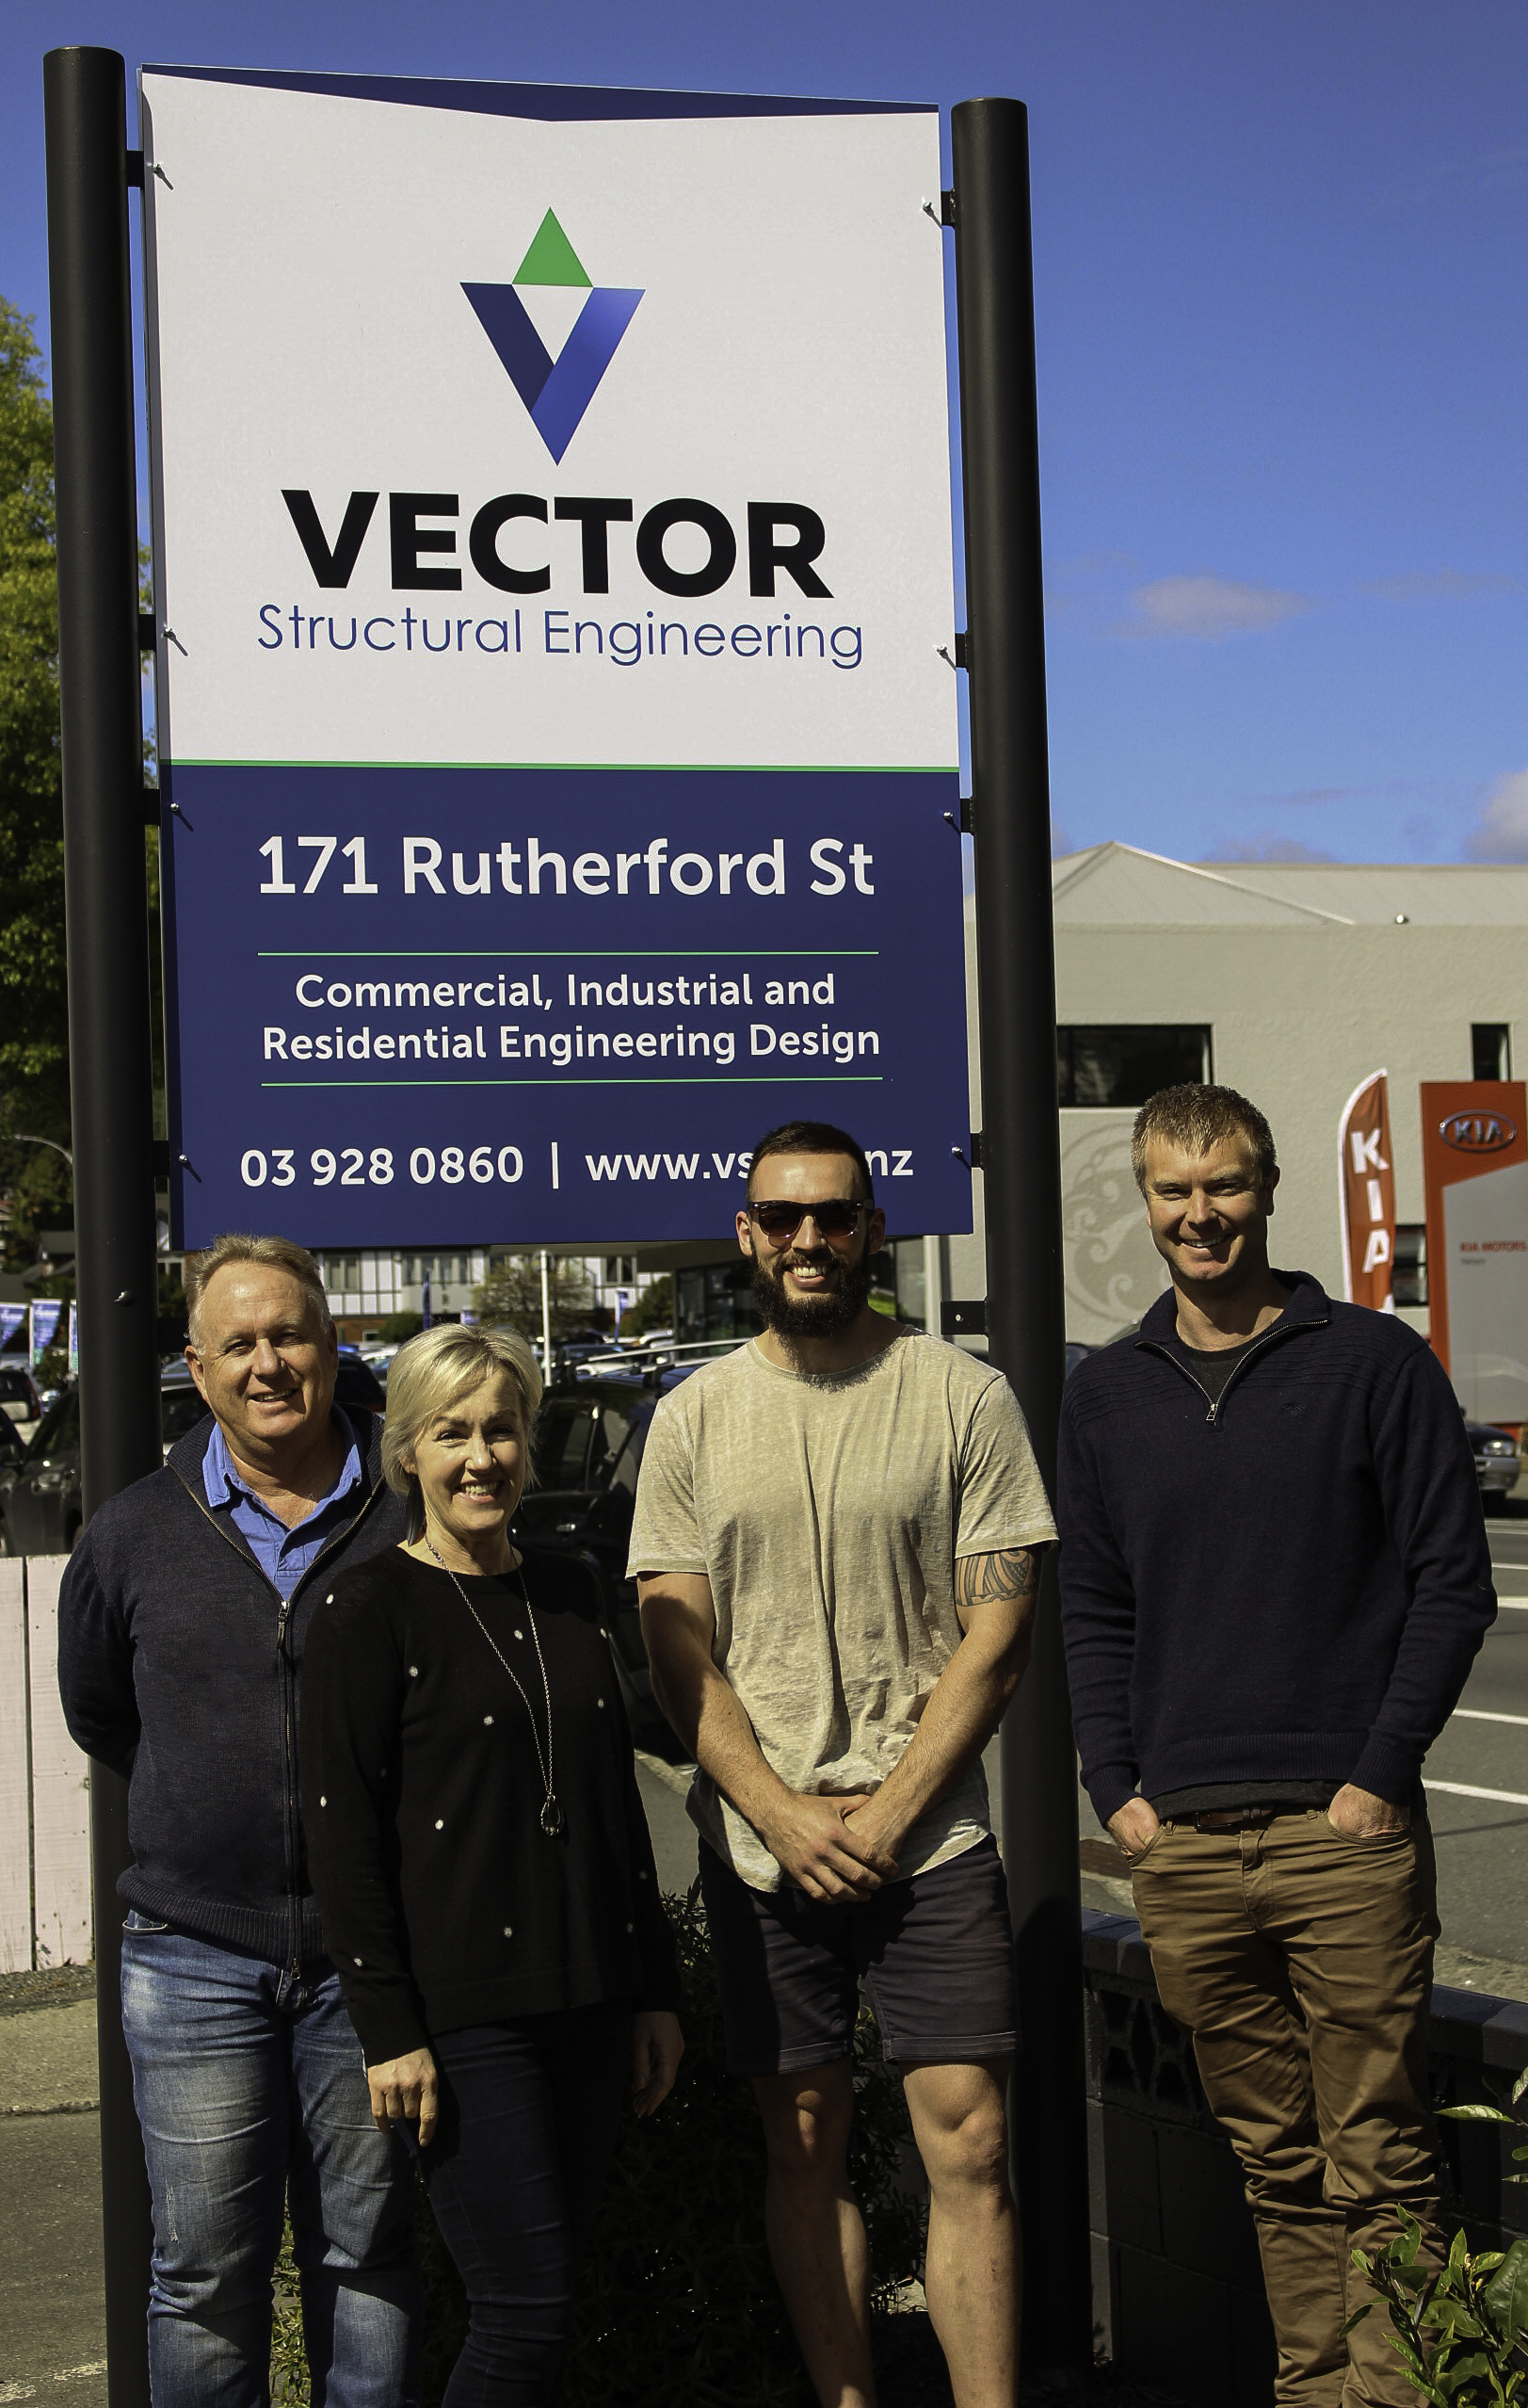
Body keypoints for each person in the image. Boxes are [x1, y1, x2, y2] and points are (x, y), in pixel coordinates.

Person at [1057, 1083, 1497, 2407]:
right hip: (1181, 1847)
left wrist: (1374, 1778)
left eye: (1225, 1185)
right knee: (1272, 2162)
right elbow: (1089, 1603)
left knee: (1377, 2154)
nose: (1200, 1215)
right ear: (1143, 1199)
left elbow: (1448, 1582)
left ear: (1266, 1187)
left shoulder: (1369, 1361)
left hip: (1335, 1836)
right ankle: (1313, 2391)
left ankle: (1401, 2393)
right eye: (1172, 1190)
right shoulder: (1104, 1395)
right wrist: (1115, 1794)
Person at [631, 1119, 1056, 2408]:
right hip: (763, 1847)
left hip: (928, 1842)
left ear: (871, 1228)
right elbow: (672, 1649)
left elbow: (998, 1633)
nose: (809, 1238)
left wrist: (886, 1813)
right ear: (747, 1235)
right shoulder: (692, 1418)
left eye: (834, 1215)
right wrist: (779, 1811)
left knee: (969, 2140)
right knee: (801, 2141)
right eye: (783, 1217)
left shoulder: (961, 1396)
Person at [56, 1233, 418, 2408]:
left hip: (371, 1964)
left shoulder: (408, 1515)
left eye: (292, 1335)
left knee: (368, 2262)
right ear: (197, 1369)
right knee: (203, 2274)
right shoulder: (128, 1533)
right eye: (241, 1343)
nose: (270, 1363)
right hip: (194, 1955)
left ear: (335, 1347)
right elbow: (103, 1711)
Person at [300, 1320, 683, 2408]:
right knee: (521, 2310)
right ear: (407, 1452)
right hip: (468, 2020)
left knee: (551, 2300)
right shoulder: (365, 1609)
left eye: (504, 1430)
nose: (483, 1456)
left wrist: (652, 1990)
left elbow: (614, 1809)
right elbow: (344, 1836)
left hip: (594, 2002)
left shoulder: (567, 1589)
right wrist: (390, 2030)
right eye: (452, 1431)